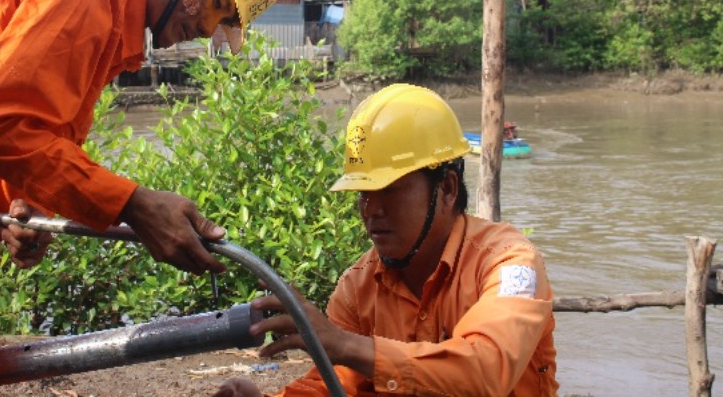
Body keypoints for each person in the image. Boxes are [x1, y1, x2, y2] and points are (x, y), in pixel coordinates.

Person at [0, 0, 284, 396]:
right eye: (218, 2)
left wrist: (22, 205)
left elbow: (30, 128)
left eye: (223, 23)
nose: (206, 29)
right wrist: (135, 205)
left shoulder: (112, 20)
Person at [215, 84, 558, 396]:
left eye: (389, 190)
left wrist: (344, 345)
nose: (371, 209)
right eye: (363, 192)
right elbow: (334, 385)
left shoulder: (508, 263)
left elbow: (485, 370)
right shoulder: (358, 288)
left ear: (448, 188)